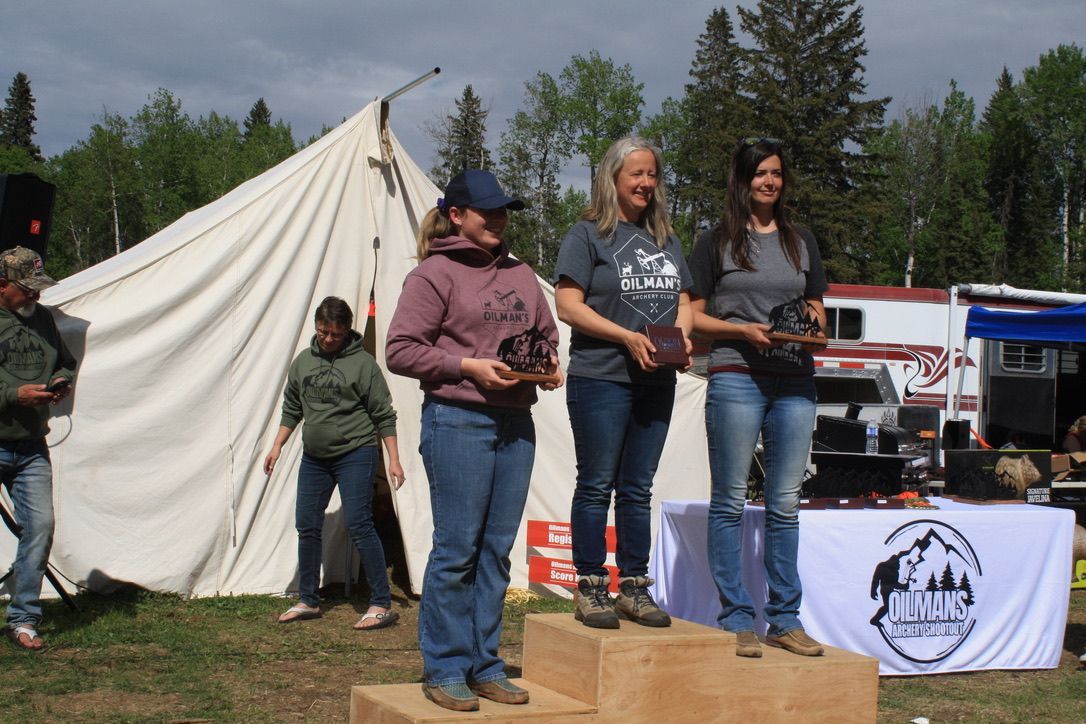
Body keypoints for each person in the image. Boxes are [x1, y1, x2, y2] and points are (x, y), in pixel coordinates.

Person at [386, 169, 562, 712]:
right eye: (489, 210)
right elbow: (399, 349)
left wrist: (548, 364)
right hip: (458, 420)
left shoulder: (522, 273)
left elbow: (546, 336)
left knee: (494, 552)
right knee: (458, 550)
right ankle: (444, 667)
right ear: (457, 215)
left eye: (505, 209)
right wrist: (466, 366)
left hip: (515, 425)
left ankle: (485, 664)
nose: (500, 218)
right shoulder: (433, 274)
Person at [688, 137, 828, 658]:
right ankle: (735, 616)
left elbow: (816, 309)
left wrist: (810, 331)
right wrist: (743, 331)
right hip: (735, 374)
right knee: (729, 499)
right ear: (742, 180)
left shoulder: (800, 240)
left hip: (795, 379)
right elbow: (692, 318)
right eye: (759, 174)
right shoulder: (714, 241)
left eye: (776, 174)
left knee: (786, 502)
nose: (769, 182)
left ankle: (786, 619)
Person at [554, 136, 693, 630]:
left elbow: (685, 303)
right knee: (596, 484)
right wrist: (626, 337)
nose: (646, 183)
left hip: (656, 381)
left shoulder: (667, 239)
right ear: (613, 177)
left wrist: (683, 339)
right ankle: (591, 586)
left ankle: (635, 586)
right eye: (636, 174)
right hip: (601, 377)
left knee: (637, 488)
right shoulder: (587, 234)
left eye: (652, 175)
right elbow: (567, 305)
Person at [263, 296, 403, 631]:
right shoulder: (303, 363)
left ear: (347, 331)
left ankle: (380, 602)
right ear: (316, 327)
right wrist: (277, 446)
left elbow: (384, 413)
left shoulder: (363, 365)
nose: (328, 339)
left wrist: (394, 459)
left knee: (359, 523)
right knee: (307, 525)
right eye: (323, 332)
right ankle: (309, 599)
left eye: (335, 334)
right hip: (314, 457)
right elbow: (292, 407)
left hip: (355, 452)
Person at [0, 247, 76, 651]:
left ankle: (23, 618)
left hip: (30, 445)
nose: (35, 297)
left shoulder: (43, 319)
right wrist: (14, 395)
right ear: (2, 285)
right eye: (26, 290)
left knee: (41, 527)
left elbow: (66, 361)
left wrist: (60, 382)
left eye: (37, 290)